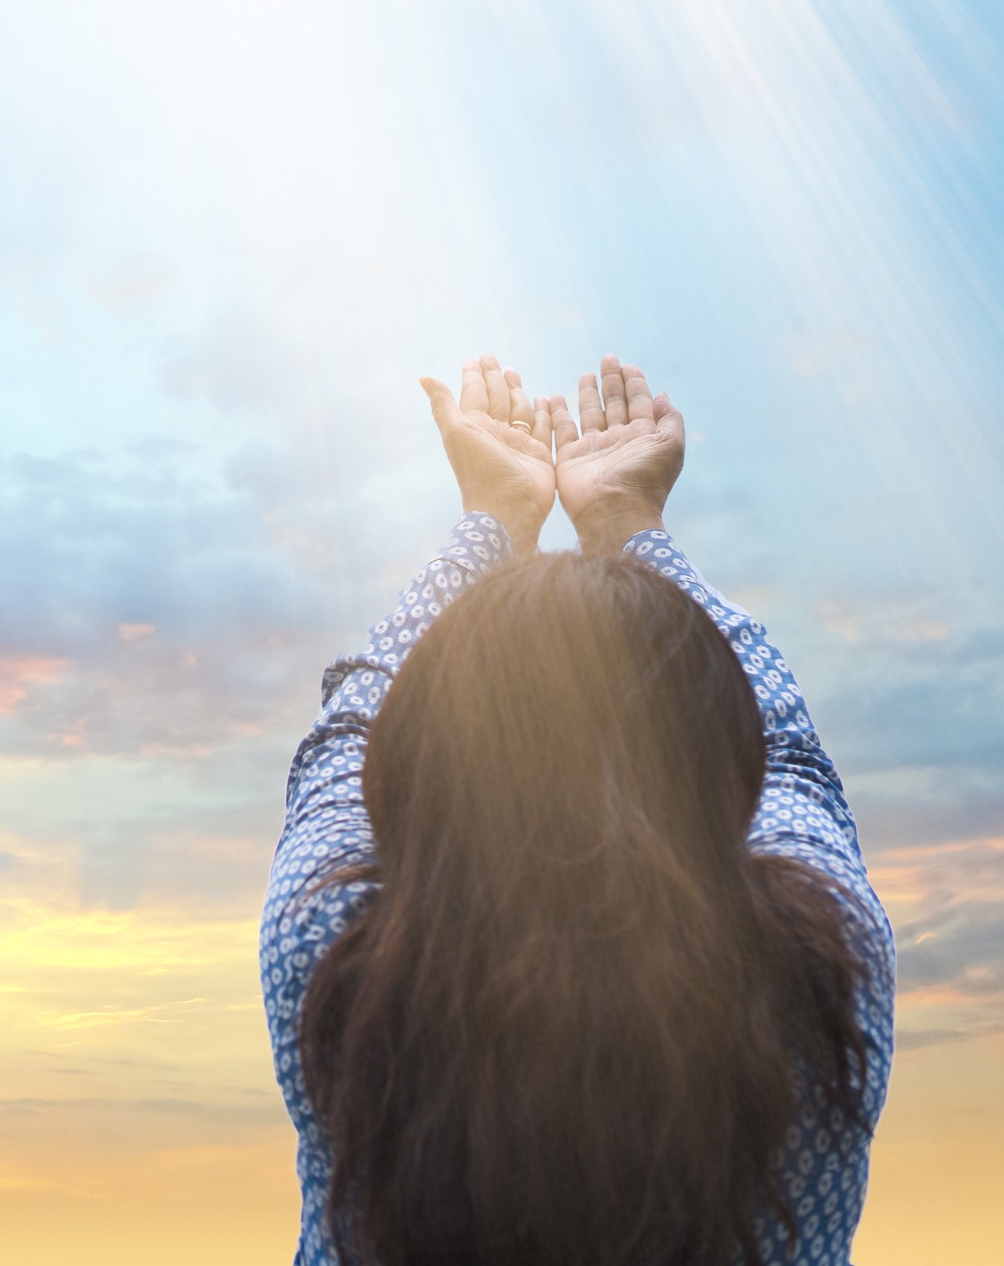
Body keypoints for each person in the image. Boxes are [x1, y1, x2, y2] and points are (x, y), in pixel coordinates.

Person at [259, 356, 894, 1266]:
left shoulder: (333, 958)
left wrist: (495, 520)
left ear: (416, 764)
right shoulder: (823, 973)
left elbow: (347, 731)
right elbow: (789, 746)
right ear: (723, 763)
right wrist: (627, 521)